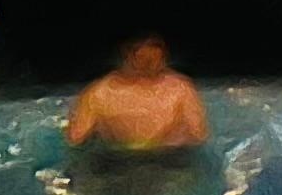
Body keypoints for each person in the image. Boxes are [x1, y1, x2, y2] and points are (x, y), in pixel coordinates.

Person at [67, 37, 209, 155]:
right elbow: (76, 137)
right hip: (119, 160)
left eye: (153, 59)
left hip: (164, 159)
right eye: (144, 58)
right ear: (128, 56)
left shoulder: (181, 89)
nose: (149, 63)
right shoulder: (99, 93)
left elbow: (199, 135)